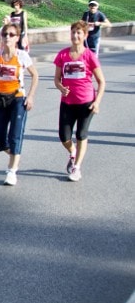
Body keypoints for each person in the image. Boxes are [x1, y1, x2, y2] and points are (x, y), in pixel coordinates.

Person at [0, 23, 39, 186]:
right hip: (0, 99)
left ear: (17, 38)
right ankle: (15, 155)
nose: (7, 37)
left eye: (11, 34)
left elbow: (35, 75)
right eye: (5, 34)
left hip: (17, 99)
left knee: (15, 135)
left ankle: (12, 170)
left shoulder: (22, 56)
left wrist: (30, 97)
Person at [53, 21, 106, 182]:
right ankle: (73, 151)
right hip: (67, 102)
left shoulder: (89, 56)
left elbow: (101, 82)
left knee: (81, 134)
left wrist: (97, 102)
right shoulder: (62, 55)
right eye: (73, 32)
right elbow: (56, 79)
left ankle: (76, 167)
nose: (75, 36)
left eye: (79, 33)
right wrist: (61, 87)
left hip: (86, 102)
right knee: (64, 136)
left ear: (85, 35)